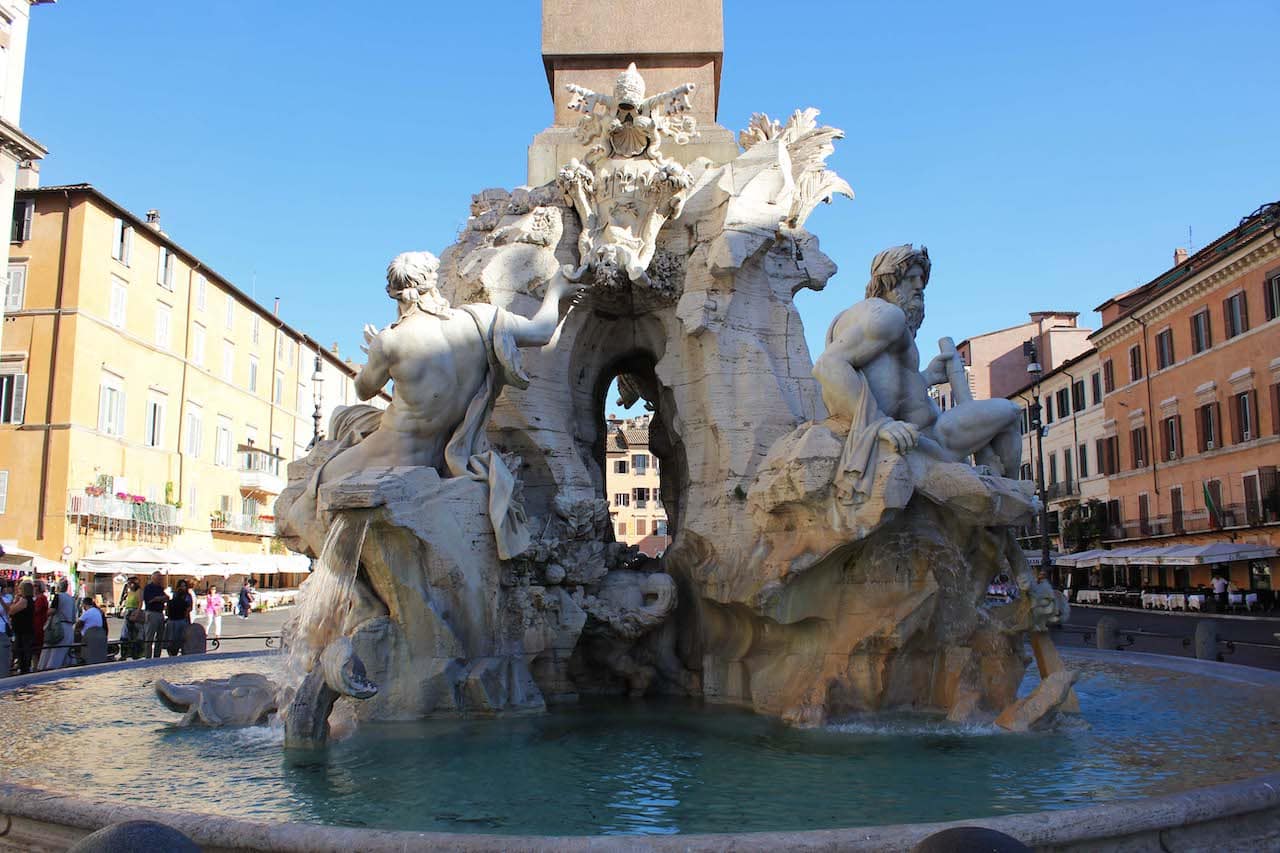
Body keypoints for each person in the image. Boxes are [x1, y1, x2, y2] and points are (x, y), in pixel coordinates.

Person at [814, 245, 1024, 504]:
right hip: (929, 436)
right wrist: (881, 424)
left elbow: (888, 385)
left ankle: (1002, 496)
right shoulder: (887, 316)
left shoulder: (885, 320)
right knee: (1010, 413)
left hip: (929, 434)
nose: (919, 287)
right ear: (889, 281)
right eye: (910, 279)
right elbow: (828, 366)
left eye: (921, 280)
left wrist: (927, 377)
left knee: (1006, 414)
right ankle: (1011, 499)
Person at [37, 579, 76, 671]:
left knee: (54, 652)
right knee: (66, 652)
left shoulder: (58, 597)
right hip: (69, 628)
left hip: (59, 627)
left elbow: (52, 611)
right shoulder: (71, 599)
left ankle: (48, 670)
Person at [7, 580, 36, 674]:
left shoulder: (24, 600)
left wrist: (14, 601)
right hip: (26, 630)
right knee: (24, 652)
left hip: (23, 631)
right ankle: (24, 668)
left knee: (22, 652)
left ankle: (23, 670)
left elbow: (11, 611)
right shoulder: (30, 600)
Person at [142, 571, 169, 659]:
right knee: (149, 636)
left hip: (160, 613)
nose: (160, 579)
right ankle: (148, 656)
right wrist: (159, 598)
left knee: (160, 636)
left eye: (161, 578)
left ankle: (157, 656)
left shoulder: (160, 588)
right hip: (151, 613)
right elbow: (150, 600)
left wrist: (159, 598)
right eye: (159, 578)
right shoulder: (148, 588)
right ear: (153, 578)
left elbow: (167, 598)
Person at [163, 579, 193, 656]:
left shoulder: (188, 596)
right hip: (178, 619)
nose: (183, 587)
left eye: (184, 586)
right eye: (181, 586)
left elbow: (190, 608)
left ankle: (178, 652)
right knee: (177, 638)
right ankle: (176, 652)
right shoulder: (178, 597)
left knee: (177, 638)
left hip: (179, 619)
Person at [119, 579, 143, 659]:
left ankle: (135, 652)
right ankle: (125, 653)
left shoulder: (138, 591)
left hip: (134, 611)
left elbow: (140, 603)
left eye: (129, 584)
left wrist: (137, 613)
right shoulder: (129, 592)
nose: (128, 586)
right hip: (128, 611)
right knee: (125, 633)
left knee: (134, 632)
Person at [31, 580, 49, 663]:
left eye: (35, 586)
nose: (34, 588)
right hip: (36, 625)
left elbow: (35, 610)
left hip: (39, 625)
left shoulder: (41, 598)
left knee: (37, 648)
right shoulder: (38, 598)